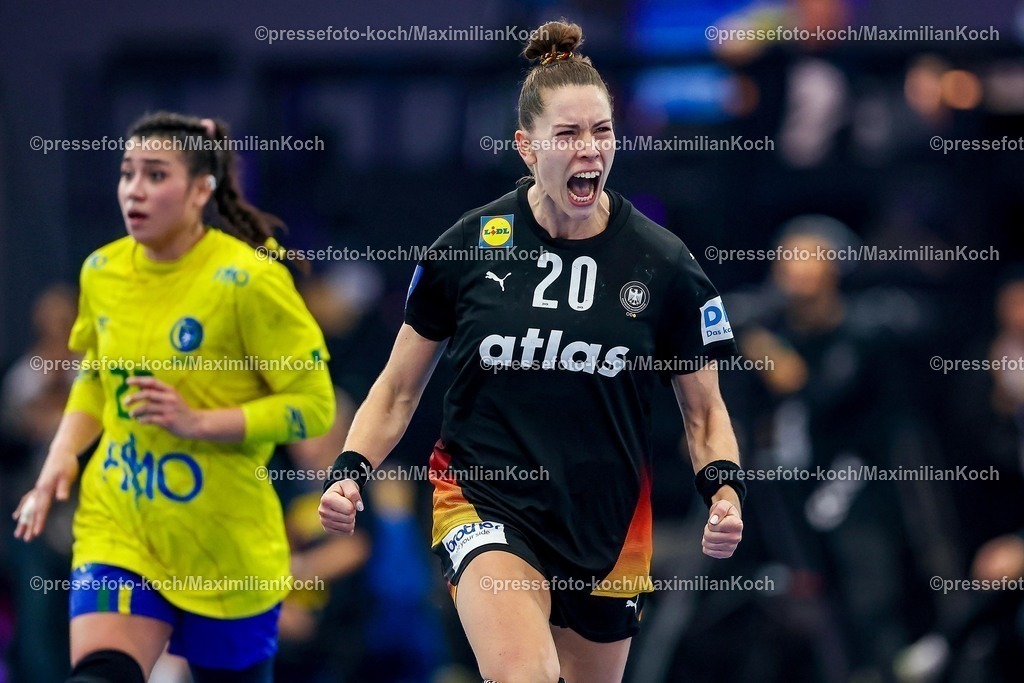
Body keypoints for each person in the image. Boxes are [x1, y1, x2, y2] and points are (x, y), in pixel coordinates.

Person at [320, 21, 744, 683]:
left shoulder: (664, 266)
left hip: (606, 522)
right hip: (483, 498)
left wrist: (723, 487)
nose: (590, 150)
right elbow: (398, 388)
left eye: (602, 131)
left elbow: (705, 413)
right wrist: (351, 467)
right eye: (568, 134)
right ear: (526, 147)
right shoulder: (467, 247)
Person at [12, 112, 335, 683]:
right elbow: (95, 376)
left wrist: (199, 422)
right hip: (121, 524)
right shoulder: (102, 270)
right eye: (127, 173)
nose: (134, 190)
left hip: (225, 545)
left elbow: (312, 406)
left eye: (155, 175)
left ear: (199, 191)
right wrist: (63, 454)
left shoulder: (251, 281)